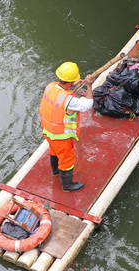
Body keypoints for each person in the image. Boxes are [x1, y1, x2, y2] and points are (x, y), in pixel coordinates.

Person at [39, 62, 94, 191]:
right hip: (61, 136)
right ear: (71, 81)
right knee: (67, 160)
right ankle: (67, 185)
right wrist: (89, 86)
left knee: (54, 152)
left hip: (48, 131)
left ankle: (55, 171)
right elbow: (88, 104)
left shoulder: (50, 87)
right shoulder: (69, 101)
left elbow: (65, 93)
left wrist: (78, 85)